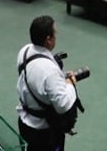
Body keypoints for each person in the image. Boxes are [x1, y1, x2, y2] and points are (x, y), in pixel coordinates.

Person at [16, 15, 79, 151]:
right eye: (55, 33)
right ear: (48, 39)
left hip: (24, 123)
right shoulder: (50, 71)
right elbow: (62, 105)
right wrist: (69, 84)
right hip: (44, 132)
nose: (57, 35)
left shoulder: (24, 51)